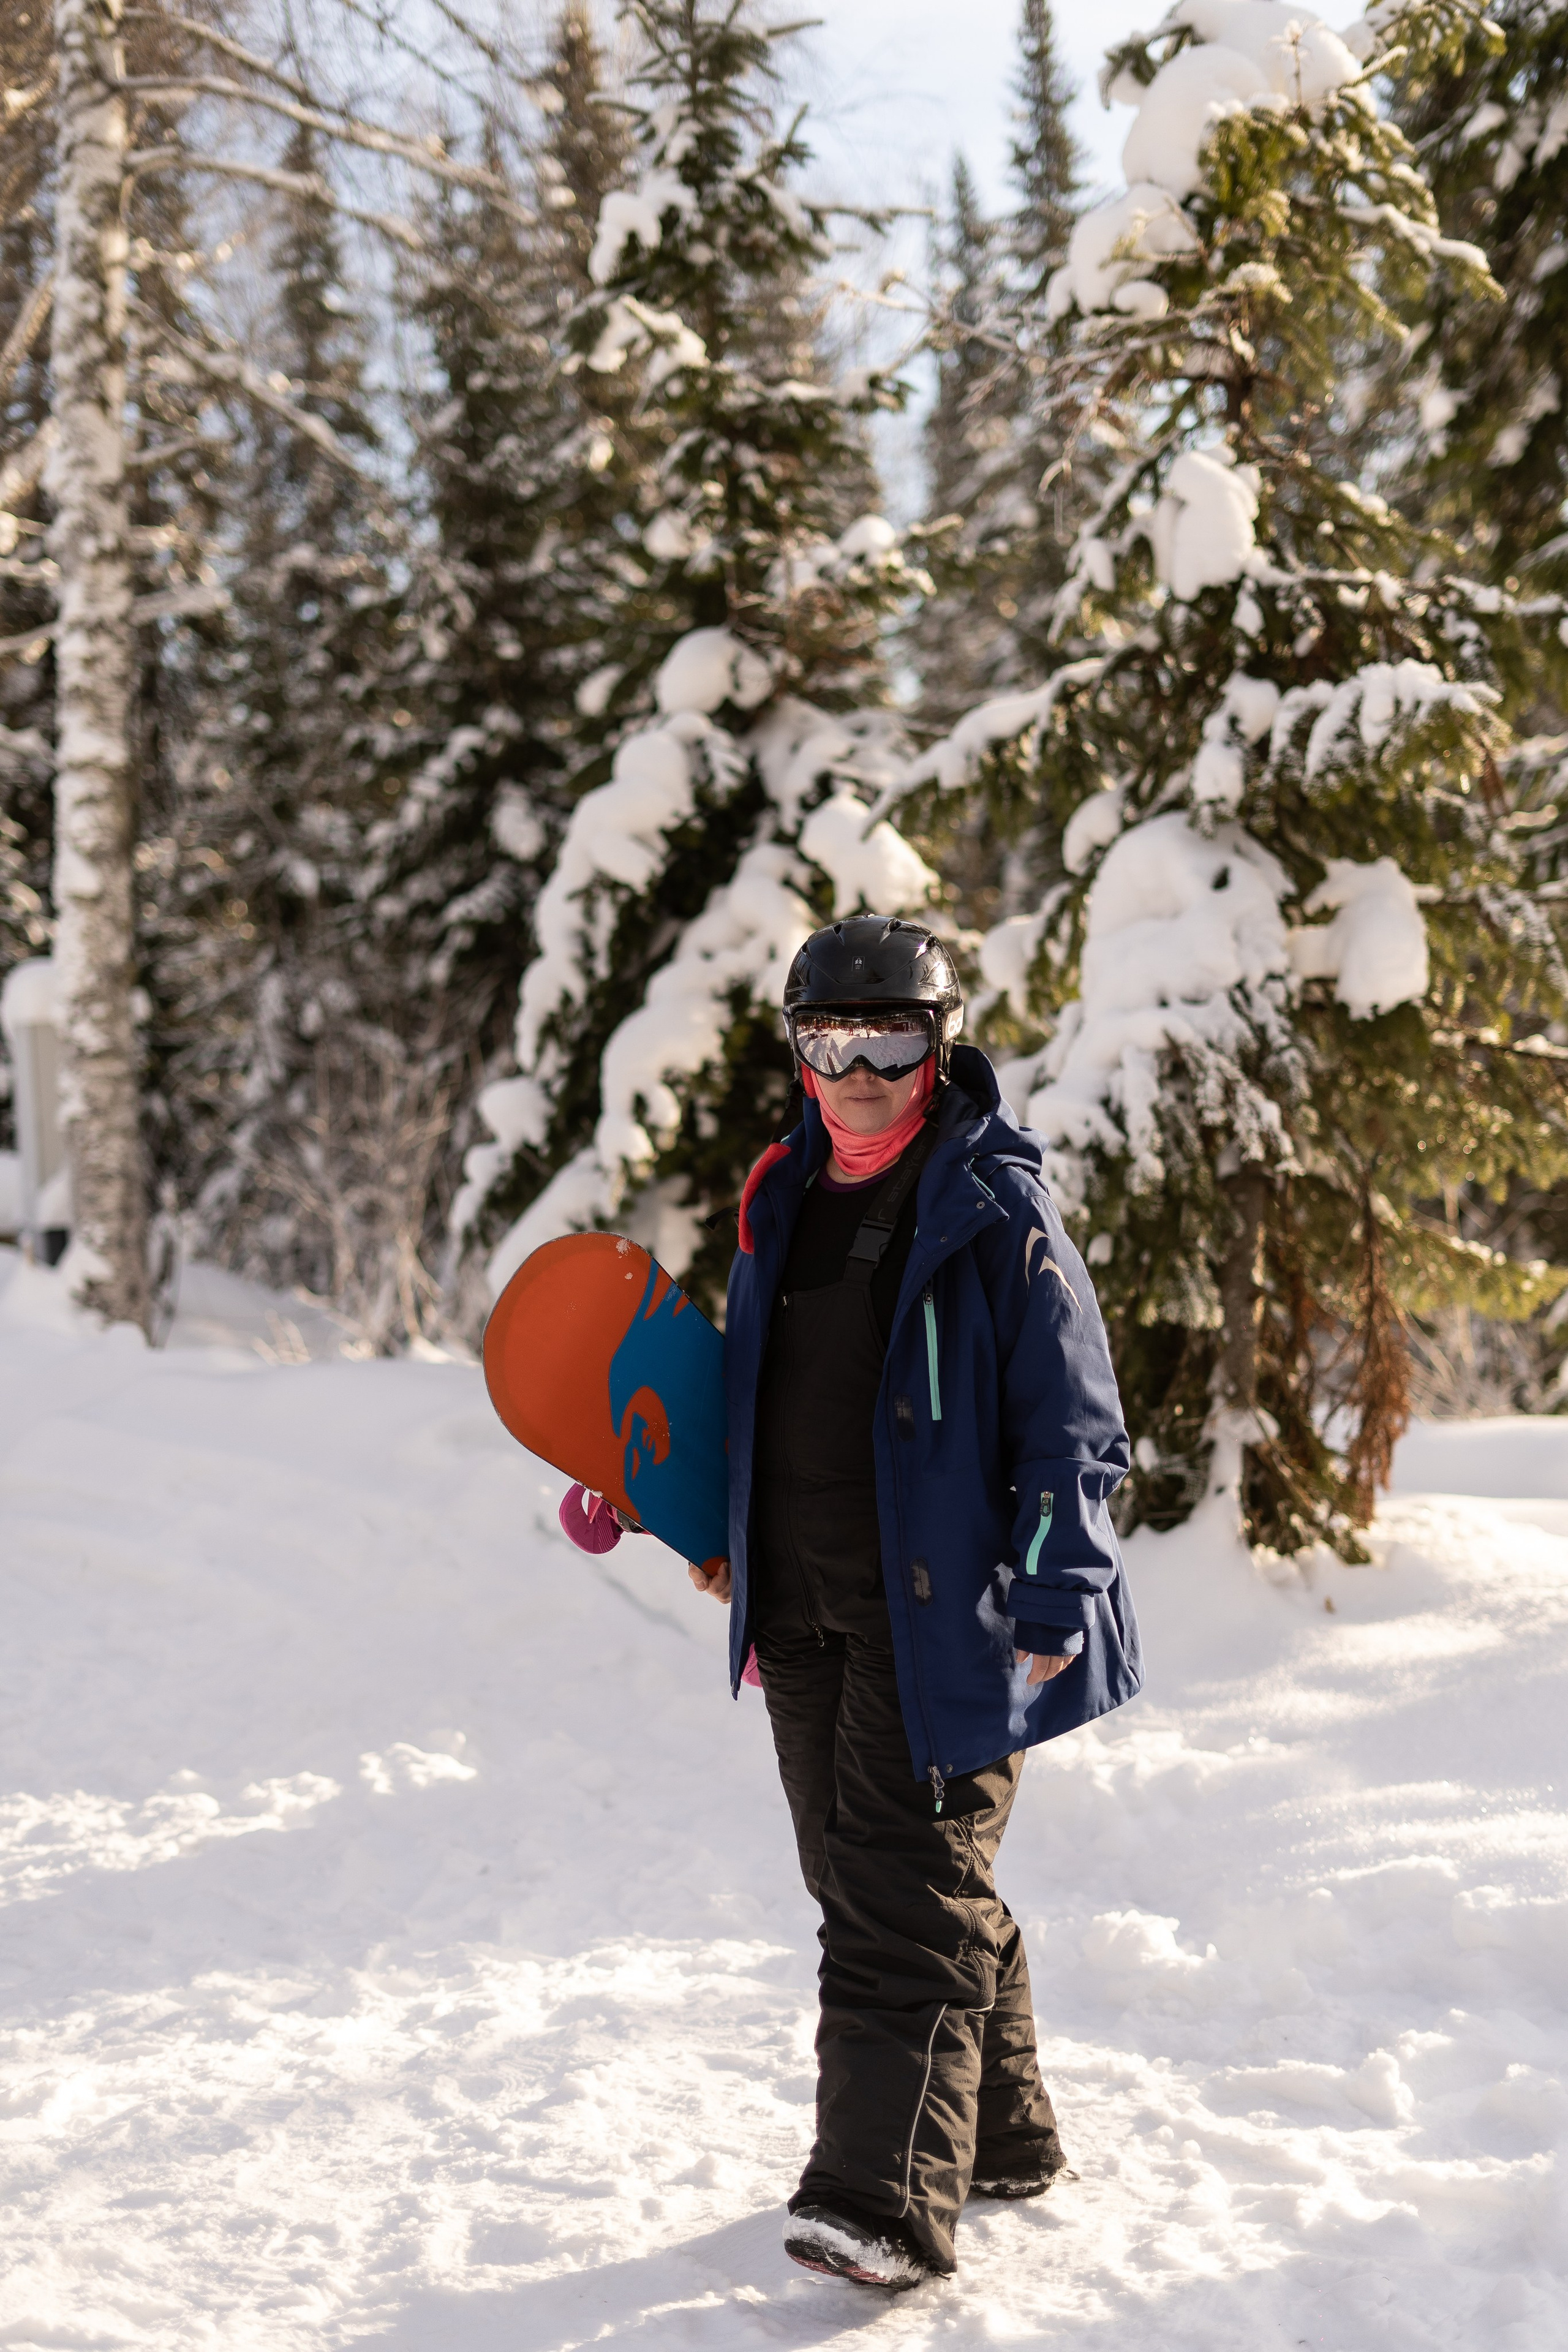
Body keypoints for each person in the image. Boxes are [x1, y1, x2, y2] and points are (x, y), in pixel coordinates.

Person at [565, 913, 1140, 2292]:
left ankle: (877, 2204)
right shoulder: (784, 1196)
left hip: (955, 1620)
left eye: (889, 1037)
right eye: (831, 1040)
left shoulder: (993, 1205)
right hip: (805, 1612)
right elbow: (755, 1403)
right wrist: (659, 1495)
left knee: (895, 1897)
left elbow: (1075, 1426)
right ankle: (1001, 2137)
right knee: (873, 1880)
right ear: (801, 1052)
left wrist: (1058, 1585)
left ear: (936, 1046)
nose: (859, 1067)